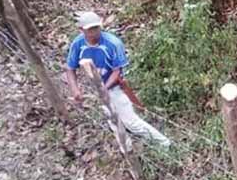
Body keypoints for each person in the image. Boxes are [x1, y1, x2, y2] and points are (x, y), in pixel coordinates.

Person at [66, 12, 172, 148]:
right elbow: (70, 68)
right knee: (113, 121)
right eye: (90, 29)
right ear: (81, 30)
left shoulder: (113, 43)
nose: (94, 32)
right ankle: (127, 149)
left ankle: (165, 144)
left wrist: (105, 88)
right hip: (97, 86)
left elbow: (117, 71)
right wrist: (75, 90)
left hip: (115, 87)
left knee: (131, 122)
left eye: (96, 28)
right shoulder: (78, 44)